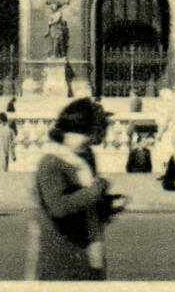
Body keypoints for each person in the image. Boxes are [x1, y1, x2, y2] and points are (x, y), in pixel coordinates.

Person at [28, 98, 124, 281]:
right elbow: (58, 207)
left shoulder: (84, 158)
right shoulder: (52, 162)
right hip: (61, 258)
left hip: (89, 255)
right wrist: (97, 189)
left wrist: (108, 205)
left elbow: (86, 204)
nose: (90, 144)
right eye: (87, 138)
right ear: (71, 131)